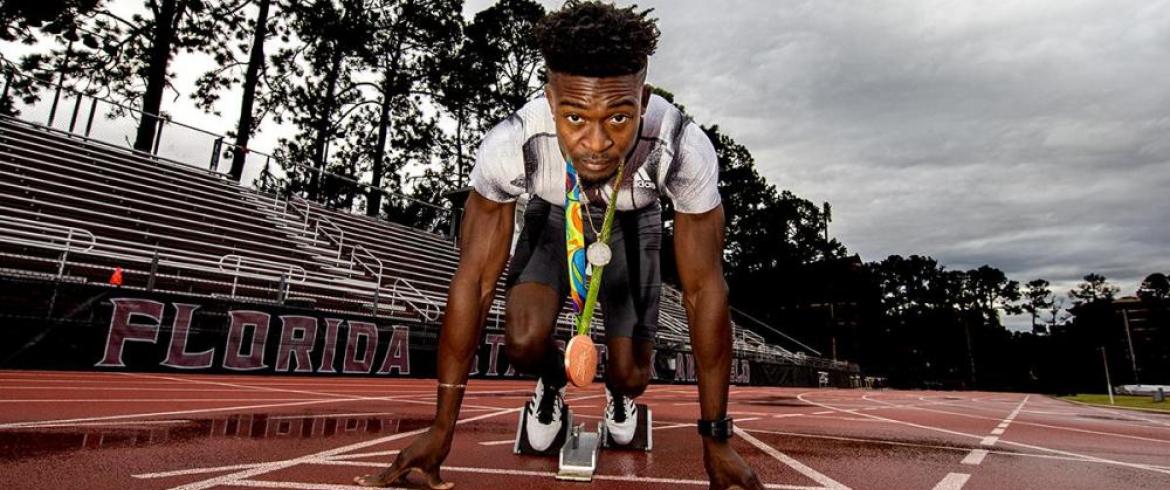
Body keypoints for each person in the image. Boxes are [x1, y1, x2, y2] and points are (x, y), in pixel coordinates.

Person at [355, 2, 762, 489]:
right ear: (550, 101)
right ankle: (551, 384)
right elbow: (475, 280)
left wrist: (716, 438)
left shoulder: (681, 147)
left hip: (633, 225)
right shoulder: (512, 143)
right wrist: (441, 429)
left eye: (617, 118)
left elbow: (705, 291)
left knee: (633, 374)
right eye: (574, 117)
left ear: (643, 94)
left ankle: (621, 394)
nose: (594, 143)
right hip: (554, 215)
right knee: (523, 344)